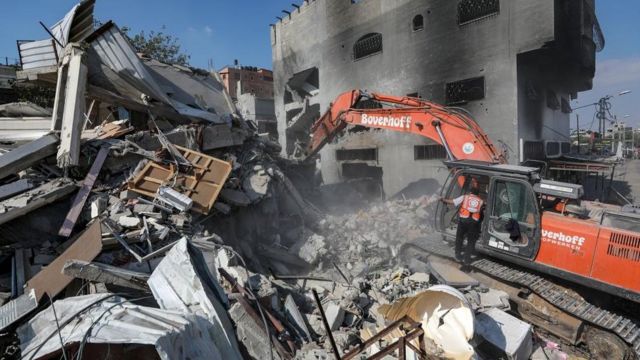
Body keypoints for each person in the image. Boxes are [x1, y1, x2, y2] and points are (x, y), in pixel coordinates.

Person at [440, 179, 484, 271]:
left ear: (470, 192)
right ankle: (467, 259)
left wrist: (443, 199)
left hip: (463, 221)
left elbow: (453, 202)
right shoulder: (481, 201)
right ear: (477, 194)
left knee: (459, 238)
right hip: (473, 223)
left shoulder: (465, 197)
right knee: (471, 241)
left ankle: (458, 255)